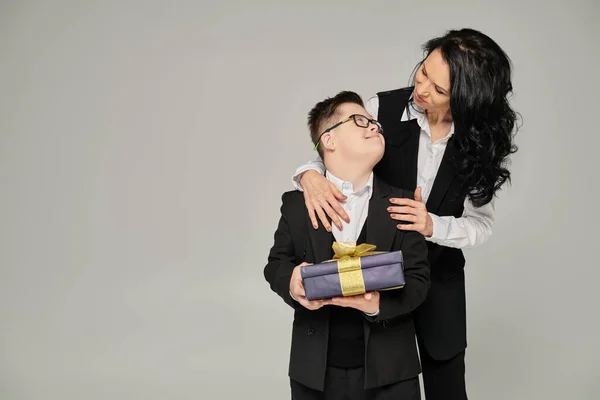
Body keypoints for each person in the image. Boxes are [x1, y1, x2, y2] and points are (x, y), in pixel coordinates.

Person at [291, 28, 519, 400]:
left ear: (466, 100)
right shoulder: (381, 107)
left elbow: (481, 225)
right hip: (374, 279)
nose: (423, 88)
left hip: (438, 286)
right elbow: (334, 147)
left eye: (440, 89)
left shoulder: (481, 143)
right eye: (424, 70)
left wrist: (431, 225)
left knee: (447, 387)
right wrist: (308, 174)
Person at [264, 91, 430, 400]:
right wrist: (292, 281)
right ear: (328, 140)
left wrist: (377, 304)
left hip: (393, 373)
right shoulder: (296, 205)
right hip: (313, 372)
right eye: (359, 121)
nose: (373, 127)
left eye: (374, 122)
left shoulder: (404, 203)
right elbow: (275, 264)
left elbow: (420, 280)